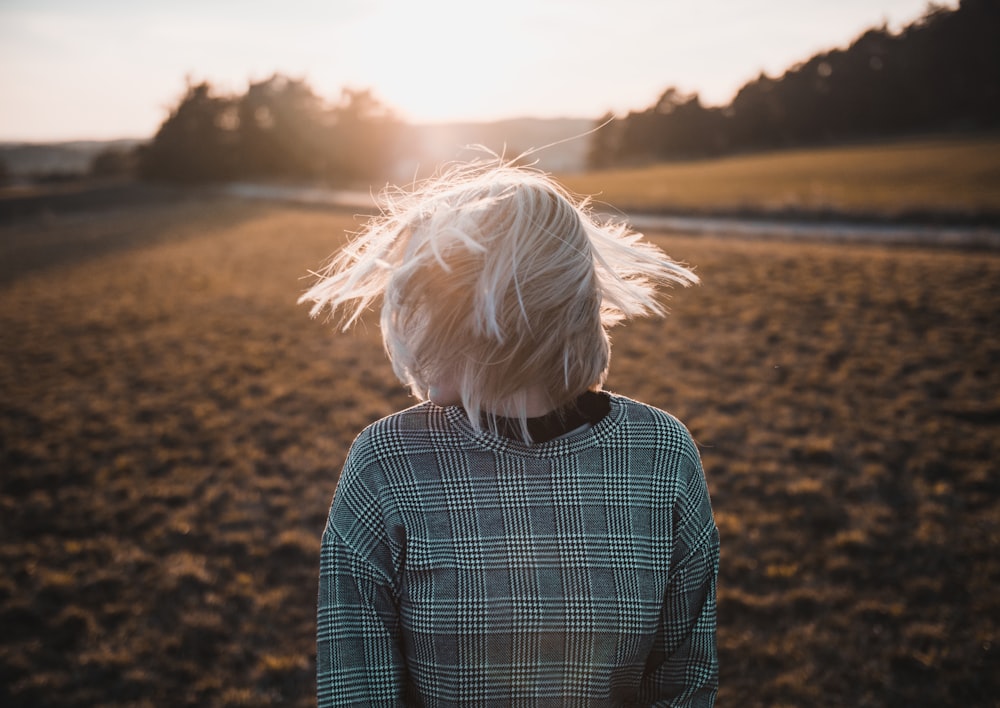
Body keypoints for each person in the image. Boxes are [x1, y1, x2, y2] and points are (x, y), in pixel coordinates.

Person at [300, 158, 719, 706]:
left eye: (426, 299)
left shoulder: (659, 456)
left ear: (476, 314)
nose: (410, 325)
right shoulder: (388, 465)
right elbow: (357, 690)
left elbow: (683, 684)